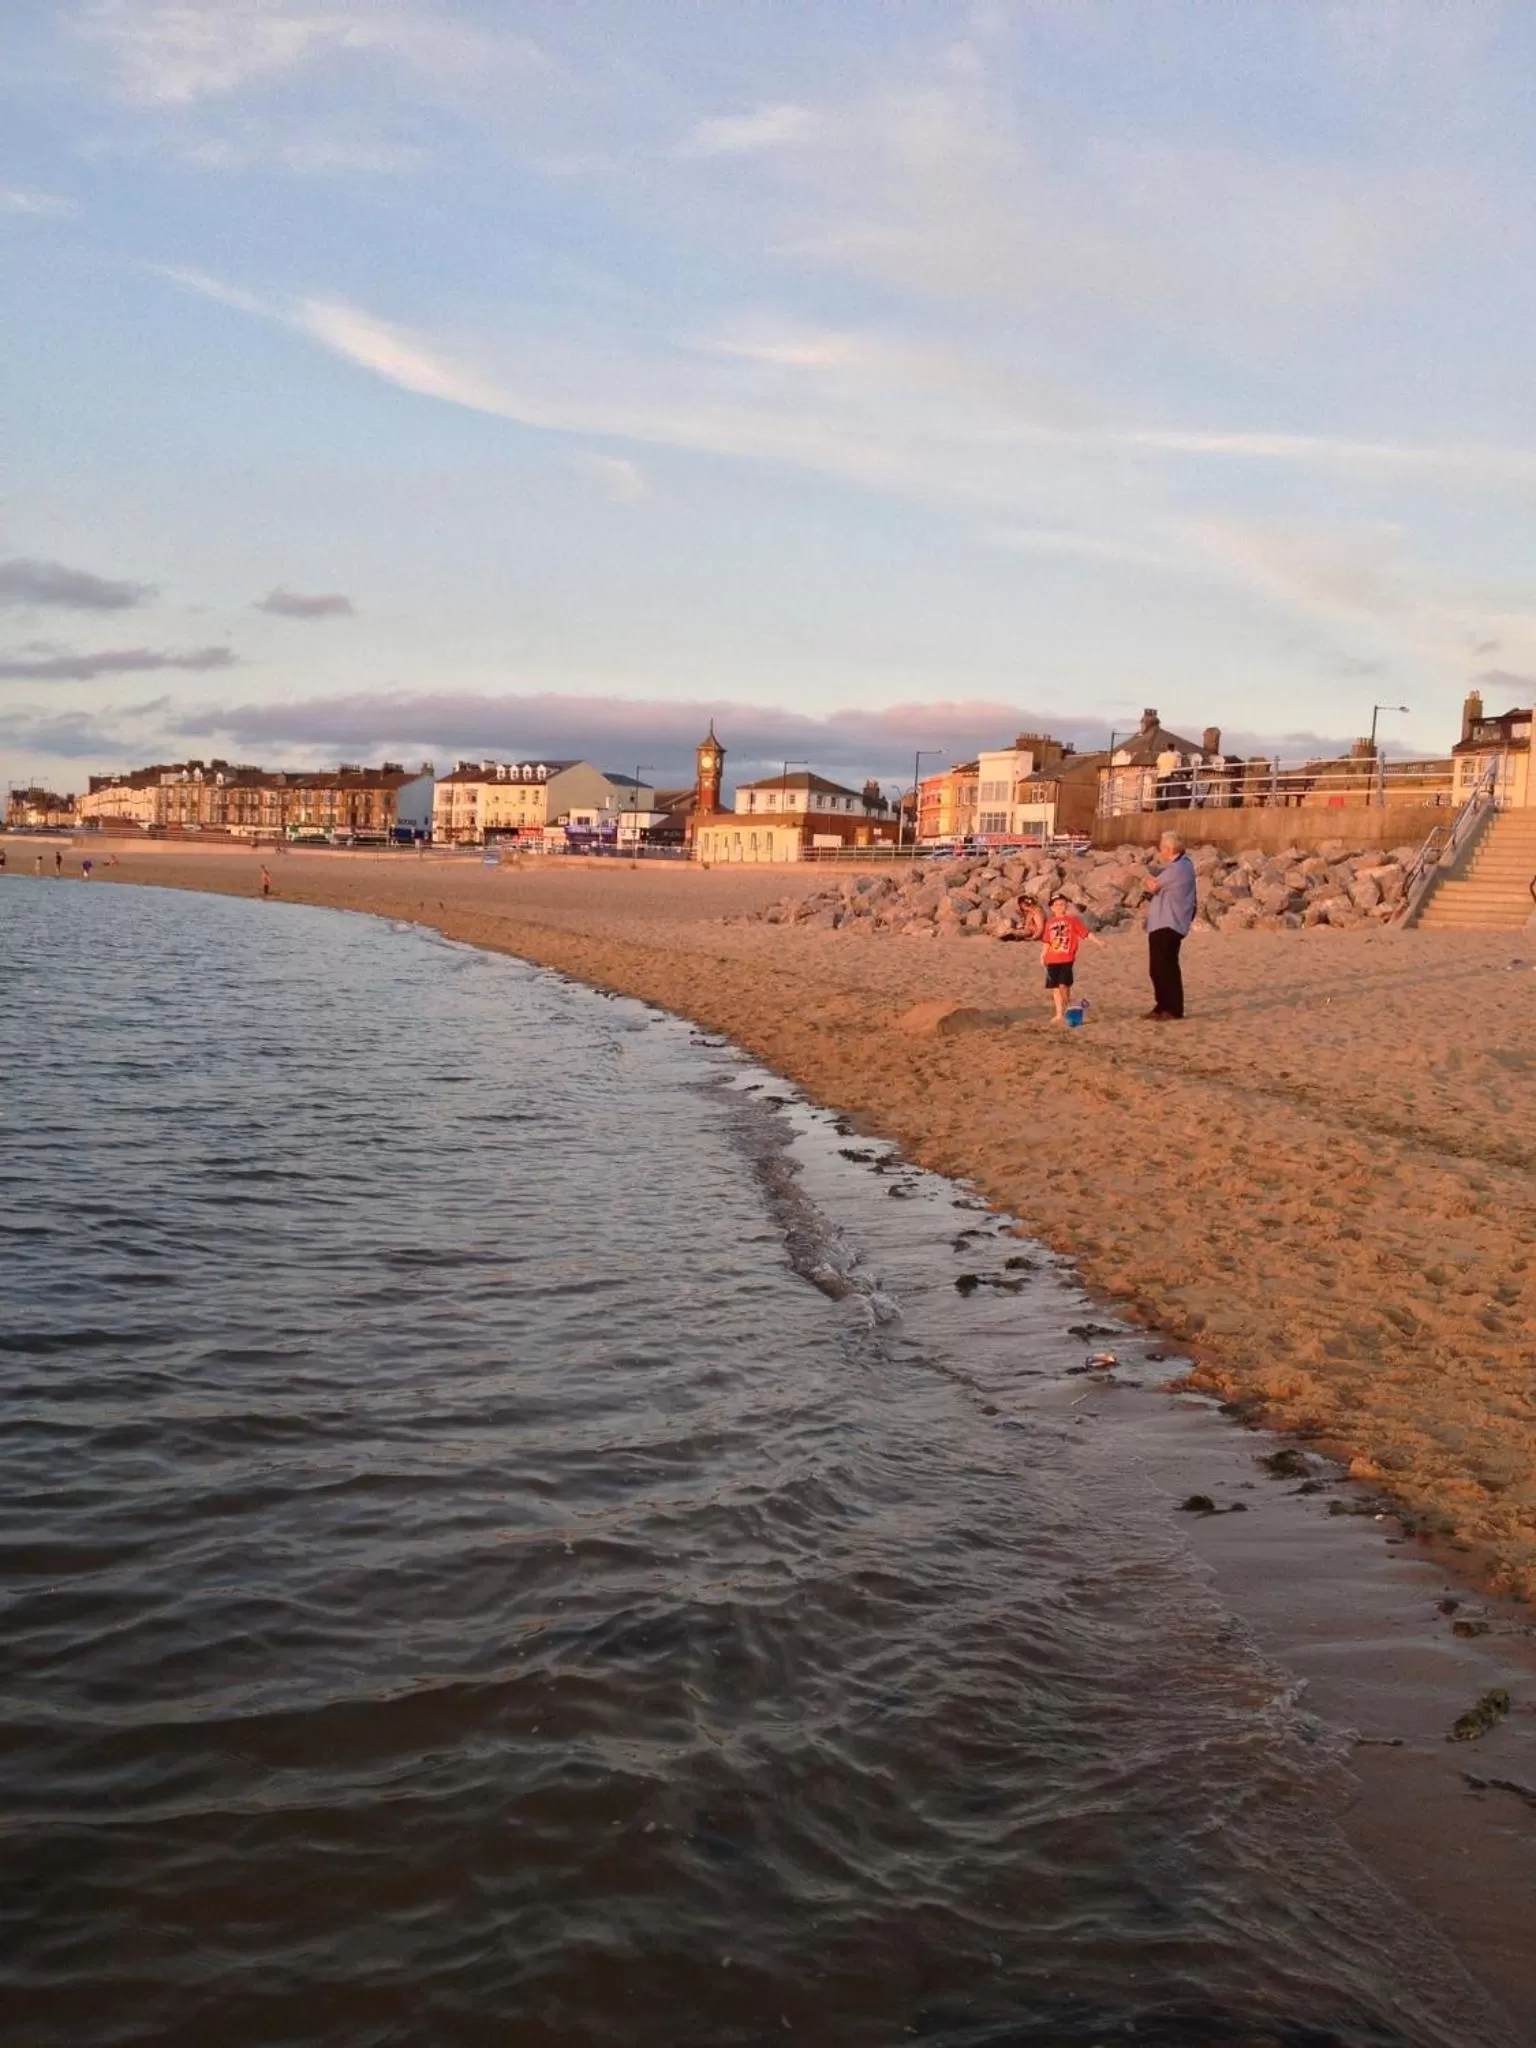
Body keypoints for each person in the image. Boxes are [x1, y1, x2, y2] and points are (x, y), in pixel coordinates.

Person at [1144, 831, 1197, 1020]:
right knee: (1158, 968)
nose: (1160, 851)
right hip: (1163, 922)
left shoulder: (1179, 868)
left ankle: (1173, 1008)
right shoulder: (1181, 866)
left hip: (1169, 923)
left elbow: (1153, 886)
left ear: (1169, 848)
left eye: (1162, 847)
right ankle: (1162, 1004)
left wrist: (1147, 879)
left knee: (1166, 967)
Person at [1041, 892, 1105, 1024]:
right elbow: (1047, 941)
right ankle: (1059, 1013)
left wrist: (1098, 942)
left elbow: (1085, 933)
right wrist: (1042, 955)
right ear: (1052, 908)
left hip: (1067, 958)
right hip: (1052, 959)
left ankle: (1068, 1006)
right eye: (1056, 905)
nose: (1059, 907)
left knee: (1064, 985)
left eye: (1062, 904)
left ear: (1066, 906)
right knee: (1055, 987)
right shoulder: (1050, 923)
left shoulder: (1072, 920)